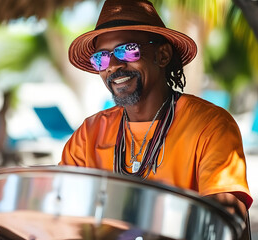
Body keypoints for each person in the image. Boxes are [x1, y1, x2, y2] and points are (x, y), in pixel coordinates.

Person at [60, 0, 253, 238]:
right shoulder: (88, 134)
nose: (114, 66)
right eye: (102, 58)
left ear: (162, 55)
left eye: (127, 50)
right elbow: (61, 213)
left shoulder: (209, 125)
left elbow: (223, 223)